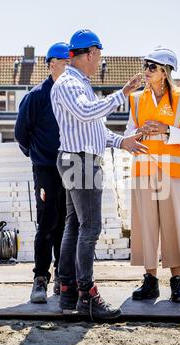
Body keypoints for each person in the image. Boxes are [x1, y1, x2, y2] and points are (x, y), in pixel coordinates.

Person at [51, 29, 147, 320]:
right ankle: (86, 296)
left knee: (74, 225)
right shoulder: (69, 83)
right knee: (89, 228)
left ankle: (67, 289)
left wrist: (122, 142)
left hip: (77, 159)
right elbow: (86, 113)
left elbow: (93, 127)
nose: (100, 62)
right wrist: (123, 93)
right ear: (90, 53)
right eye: (99, 57)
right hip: (80, 162)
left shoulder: (79, 83)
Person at [125, 47, 180, 303]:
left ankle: (177, 281)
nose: (147, 71)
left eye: (152, 67)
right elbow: (128, 132)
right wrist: (137, 134)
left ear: (165, 73)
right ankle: (150, 280)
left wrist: (167, 130)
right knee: (146, 226)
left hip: (172, 173)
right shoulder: (135, 99)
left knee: (173, 226)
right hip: (144, 171)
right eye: (146, 65)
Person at [14, 42, 70, 303]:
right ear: (51, 64)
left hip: (70, 167)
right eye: (64, 62)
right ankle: (40, 279)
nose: (69, 66)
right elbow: (20, 134)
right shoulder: (36, 96)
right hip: (46, 169)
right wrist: (37, 156)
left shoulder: (73, 95)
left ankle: (62, 276)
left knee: (66, 224)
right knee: (47, 223)